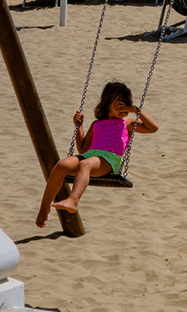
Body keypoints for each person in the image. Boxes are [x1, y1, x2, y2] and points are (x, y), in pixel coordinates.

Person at [36, 81, 158, 226]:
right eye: (119, 104)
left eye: (126, 104)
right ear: (107, 103)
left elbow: (153, 127)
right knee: (61, 165)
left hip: (109, 160)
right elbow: (83, 149)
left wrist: (135, 110)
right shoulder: (96, 124)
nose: (123, 108)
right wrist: (79, 126)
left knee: (85, 164)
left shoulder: (128, 124)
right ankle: (44, 209)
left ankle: (73, 200)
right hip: (90, 156)